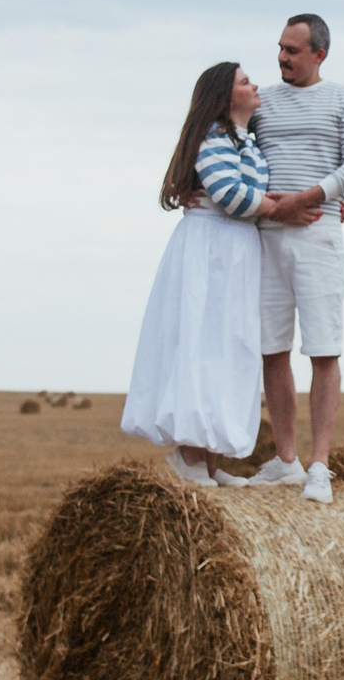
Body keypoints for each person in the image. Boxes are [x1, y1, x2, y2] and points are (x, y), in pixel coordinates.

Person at [122, 60, 325, 490]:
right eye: (245, 81)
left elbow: (253, 191)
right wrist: (281, 208)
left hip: (233, 252)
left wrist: (321, 203)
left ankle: (210, 462)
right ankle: (190, 457)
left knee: (227, 351)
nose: (256, 85)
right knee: (203, 346)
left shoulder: (243, 140)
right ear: (224, 96)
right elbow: (232, 196)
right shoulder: (214, 138)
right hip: (210, 252)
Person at [250, 13, 344, 504]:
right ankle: (285, 460)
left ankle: (319, 466)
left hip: (318, 235)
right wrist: (272, 204)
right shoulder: (260, 102)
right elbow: (240, 154)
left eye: (292, 51)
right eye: (279, 48)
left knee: (323, 348)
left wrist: (311, 197)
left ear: (319, 54)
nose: (282, 58)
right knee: (270, 347)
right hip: (264, 237)